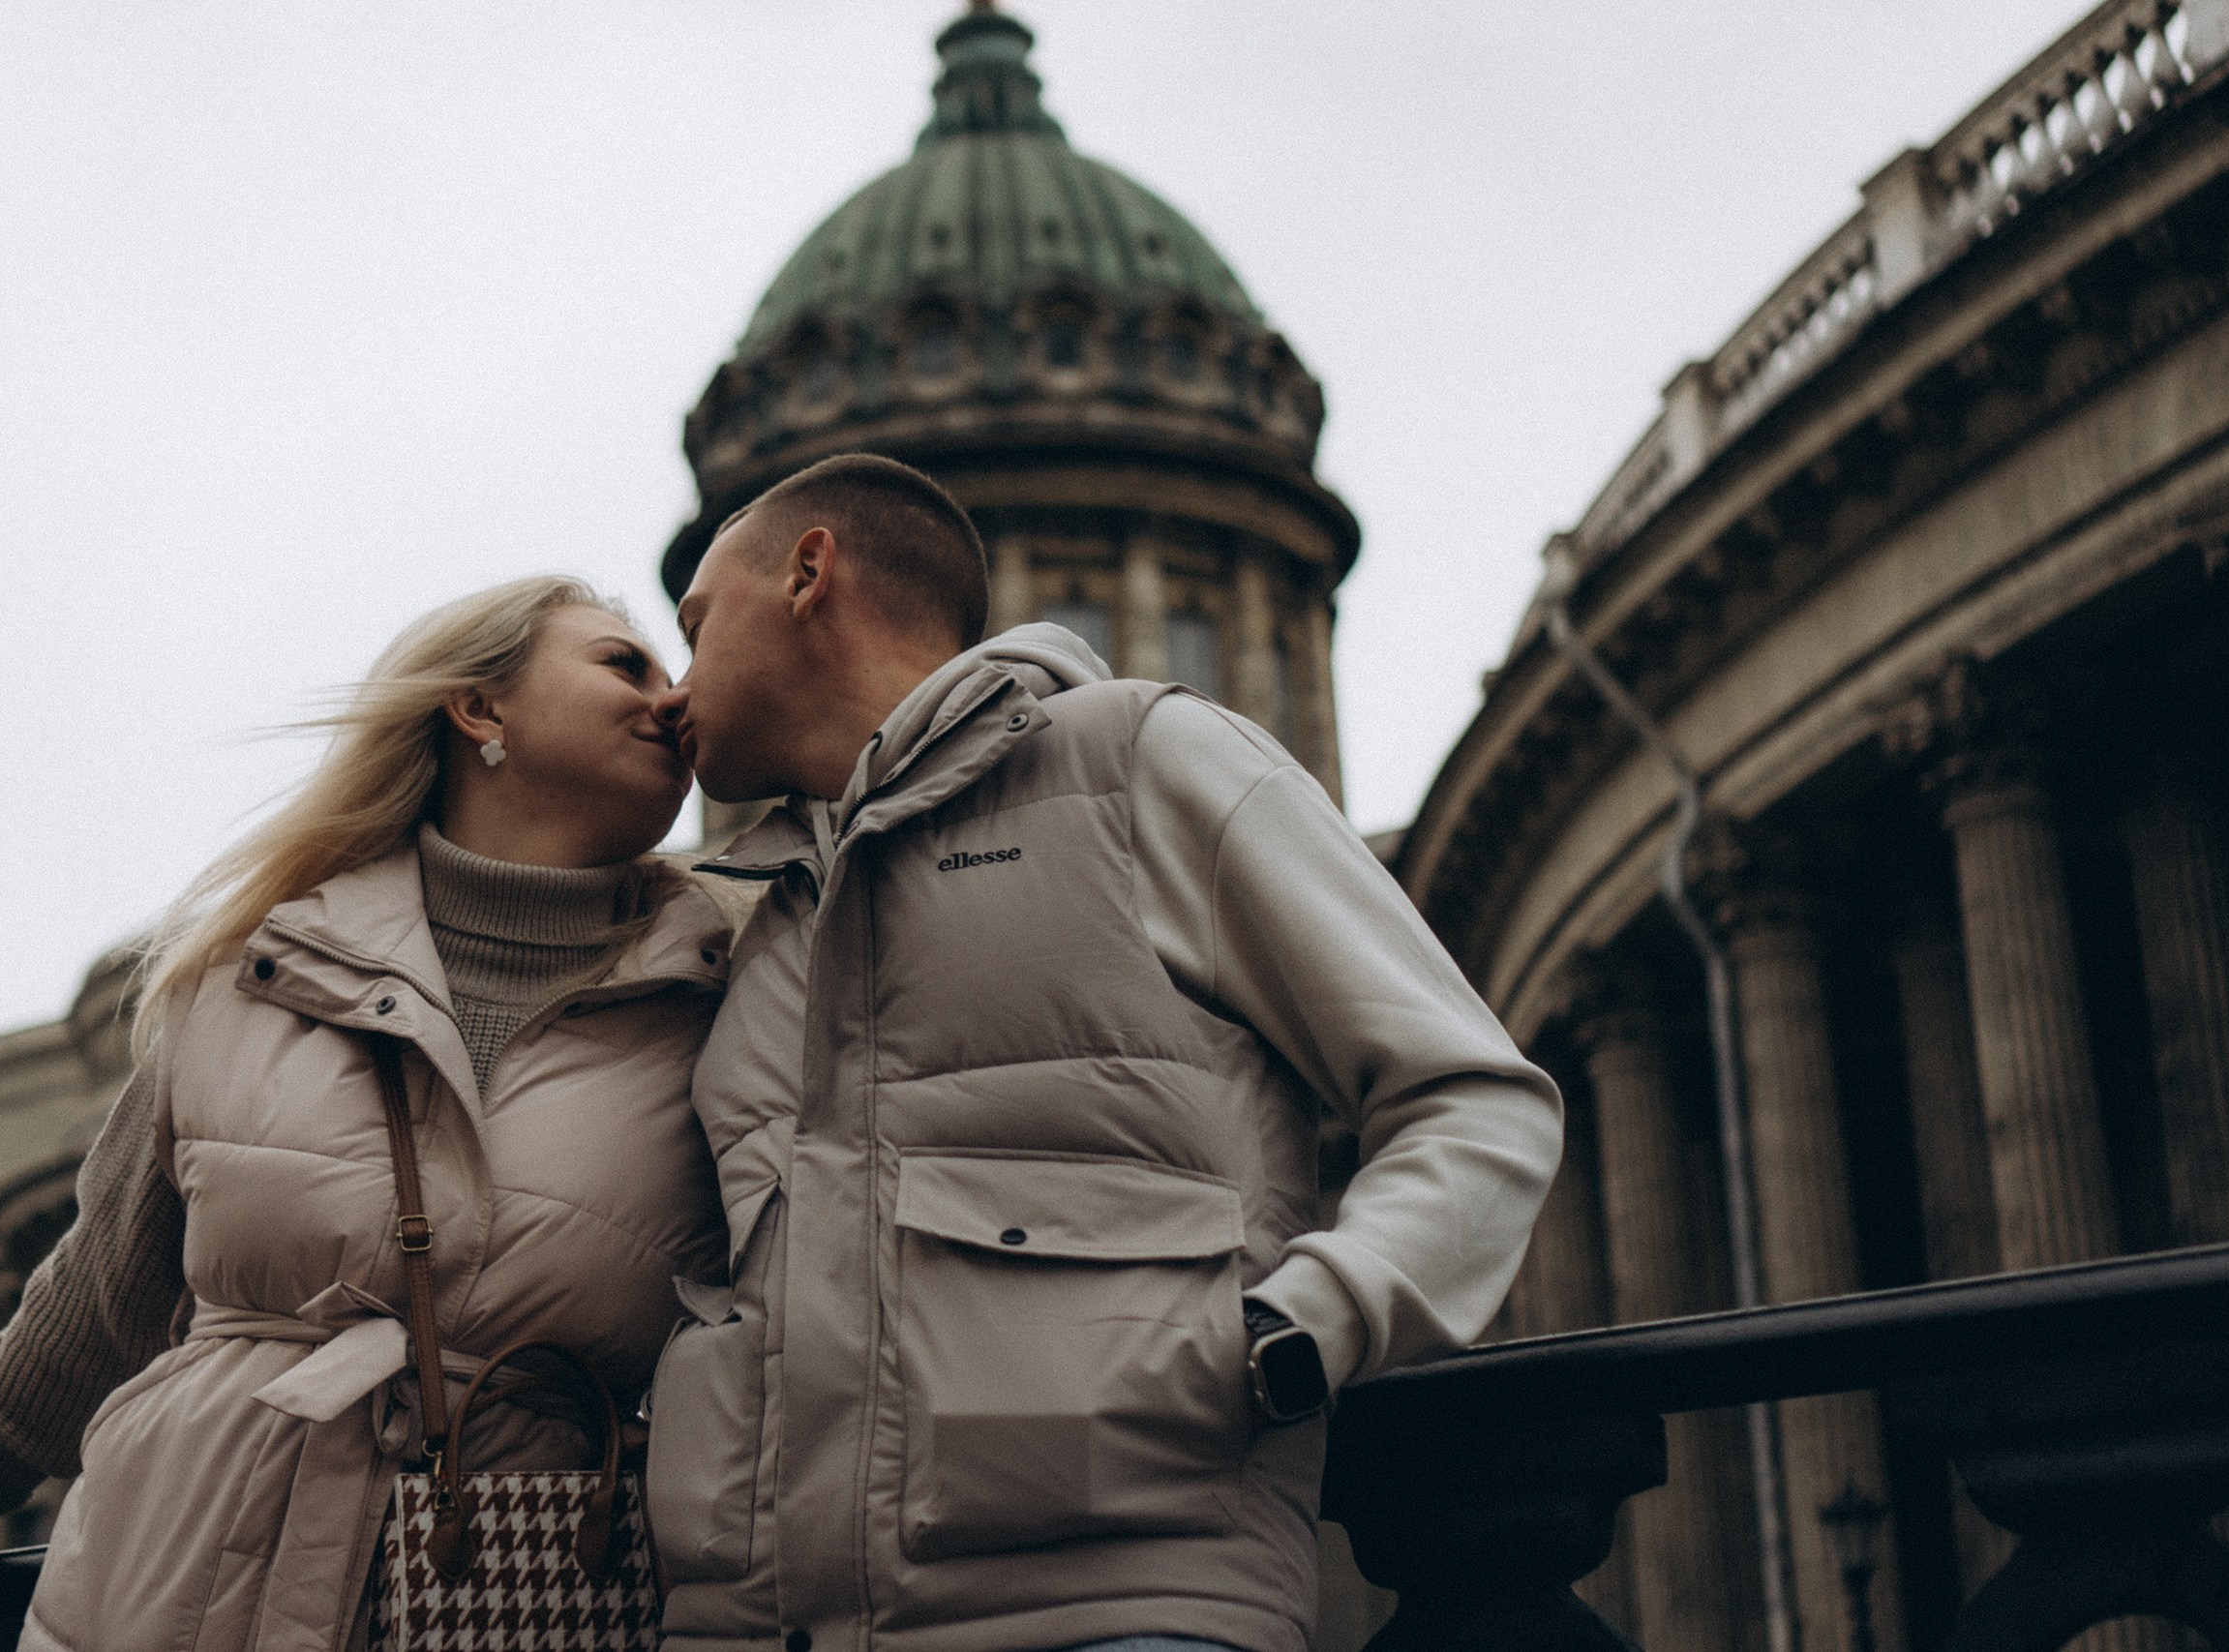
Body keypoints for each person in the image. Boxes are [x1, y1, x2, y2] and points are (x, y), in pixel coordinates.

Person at [644, 453, 1565, 1652]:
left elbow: (1475, 1100)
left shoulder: (1139, 764)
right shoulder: (758, 934)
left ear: (809, 573)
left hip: (1117, 1612)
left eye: (697, 625)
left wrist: (1298, 1331)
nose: (674, 685)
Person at [0, 576, 741, 1652]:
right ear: (480, 710)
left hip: (512, 1593)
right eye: (626, 664)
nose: (674, 700)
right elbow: (101, 1288)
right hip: (171, 1580)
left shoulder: (731, 997)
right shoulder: (255, 969)